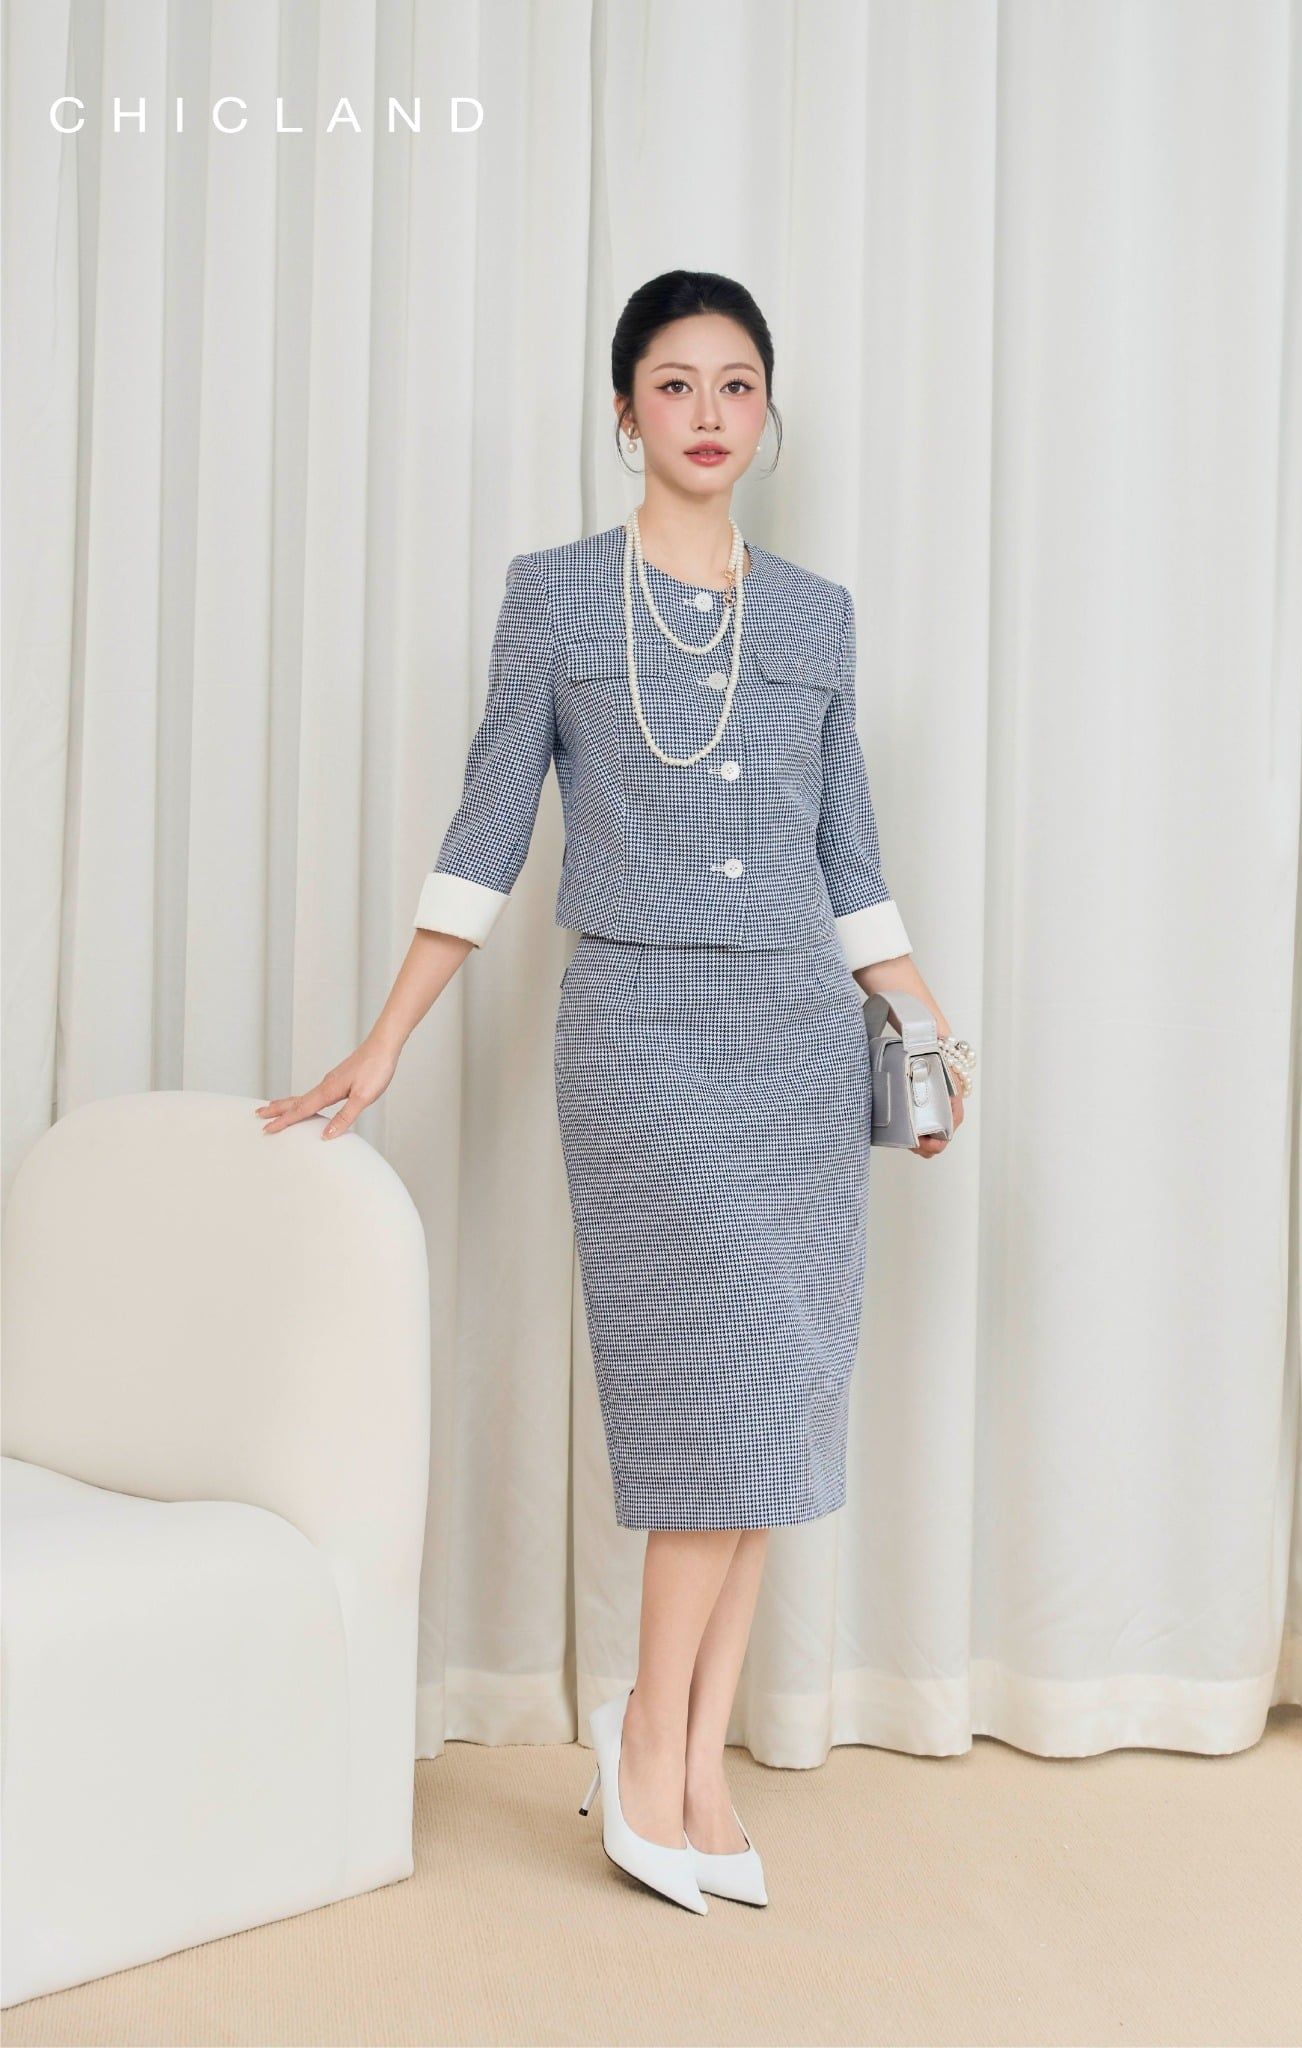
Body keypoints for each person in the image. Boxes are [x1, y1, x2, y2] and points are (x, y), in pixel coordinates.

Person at [257, 269, 965, 1915]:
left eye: (735, 384)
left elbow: (848, 857)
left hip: (798, 1044)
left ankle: (699, 1756)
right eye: (673, 383)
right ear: (624, 412)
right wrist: (386, 1037)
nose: (707, 413)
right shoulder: (559, 598)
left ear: (766, 413)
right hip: (641, 1039)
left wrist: (923, 1030)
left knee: (778, 1397)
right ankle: (644, 1737)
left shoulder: (816, 617)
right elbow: (486, 828)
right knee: (710, 1403)